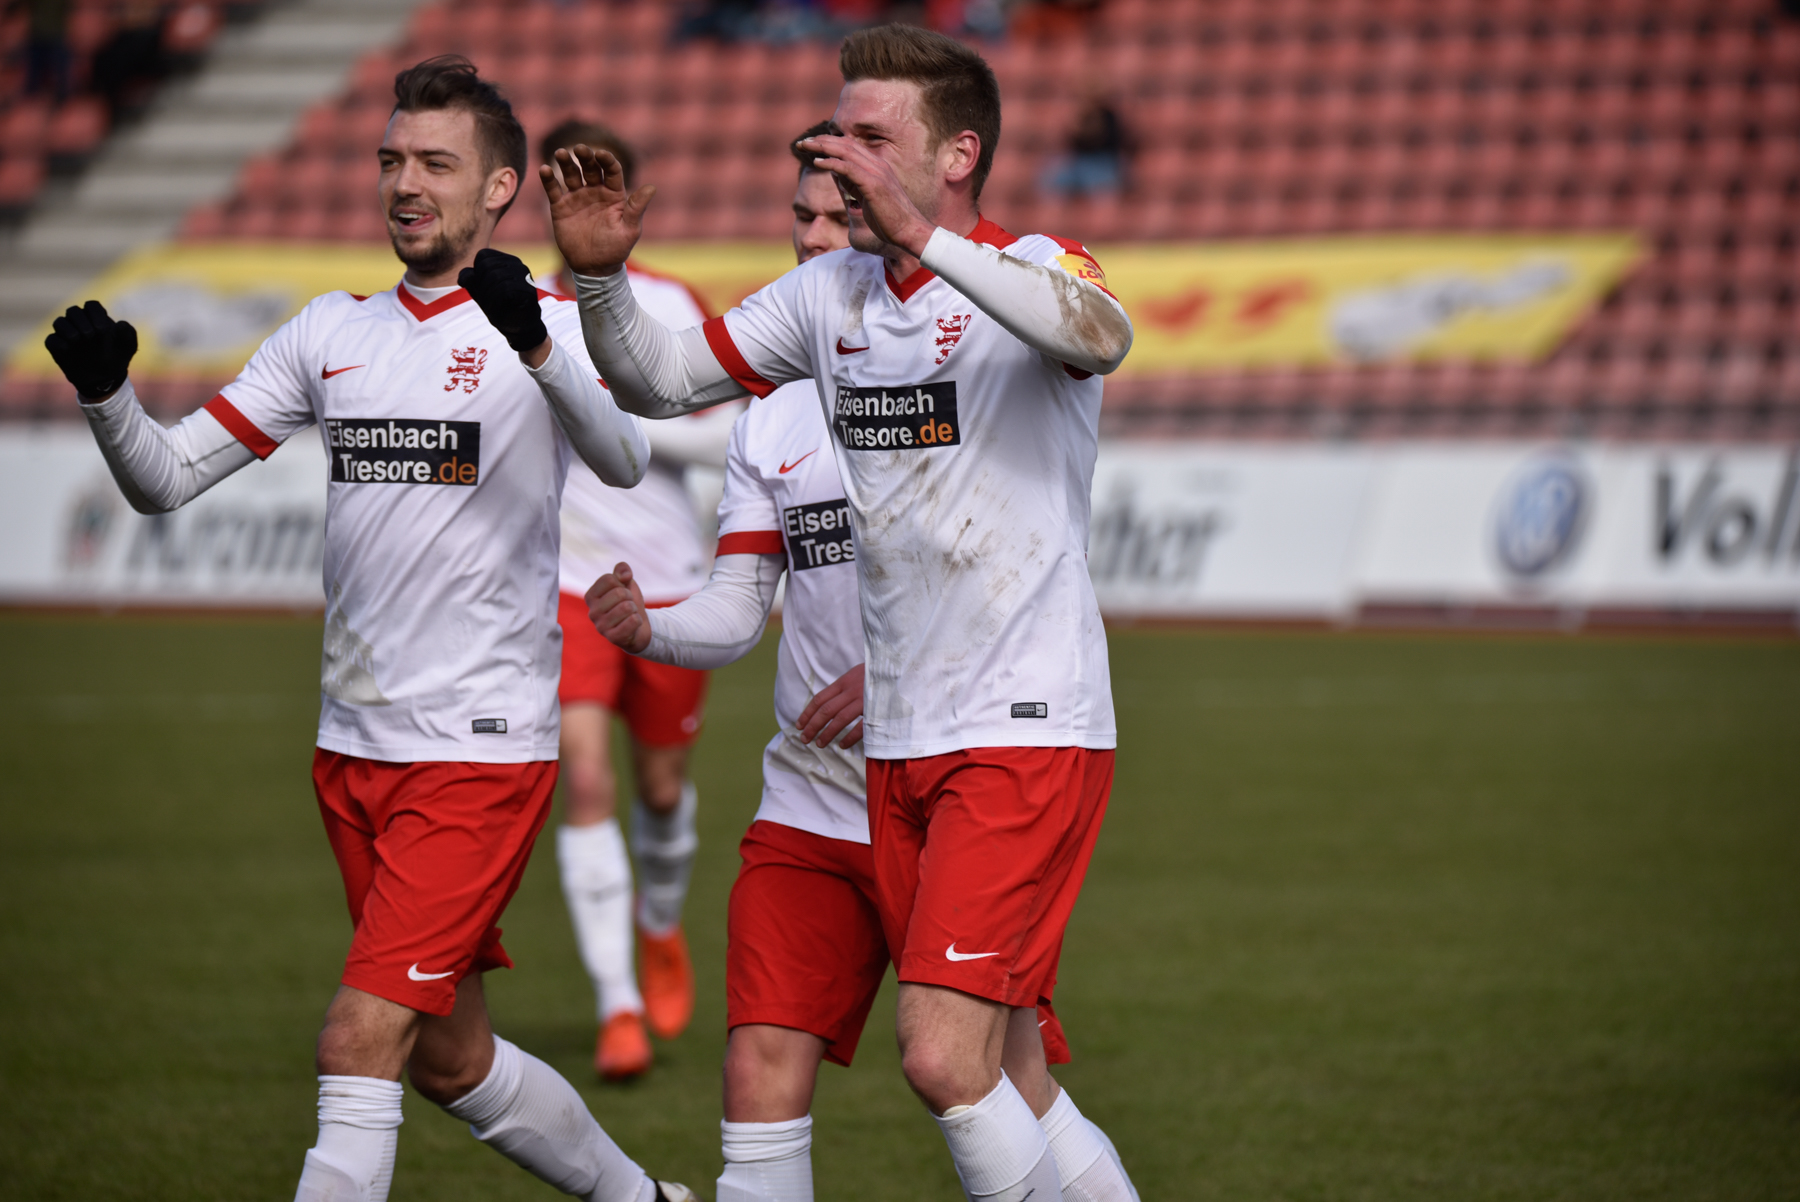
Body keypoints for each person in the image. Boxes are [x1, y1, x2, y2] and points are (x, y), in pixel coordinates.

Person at [43, 55, 695, 1202]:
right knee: (449, 1055)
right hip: (353, 748)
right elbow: (166, 479)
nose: (404, 181)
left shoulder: (544, 320)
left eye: (435, 163)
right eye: (391, 158)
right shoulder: (329, 331)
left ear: (500, 189)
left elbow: (628, 456)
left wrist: (540, 349)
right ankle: (641, 1197)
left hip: (477, 750)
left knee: (357, 1038)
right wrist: (109, 401)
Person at [546, 25, 1138, 1202]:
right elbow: (663, 380)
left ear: (959, 152)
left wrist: (922, 236)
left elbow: (1101, 335)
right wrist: (604, 282)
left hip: (1023, 725)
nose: (846, 159)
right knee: (992, 1064)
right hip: (893, 751)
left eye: (874, 136)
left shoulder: (1038, 258)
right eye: (841, 132)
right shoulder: (828, 297)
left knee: (941, 1054)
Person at [536, 118, 740, 1082]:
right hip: (568, 587)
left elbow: (732, 431)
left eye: (599, 183)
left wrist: (620, 426)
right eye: (564, 183)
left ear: (628, 200)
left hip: (667, 588)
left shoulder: (665, 303)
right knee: (583, 782)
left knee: (661, 791)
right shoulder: (520, 310)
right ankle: (618, 1005)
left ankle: (660, 923)